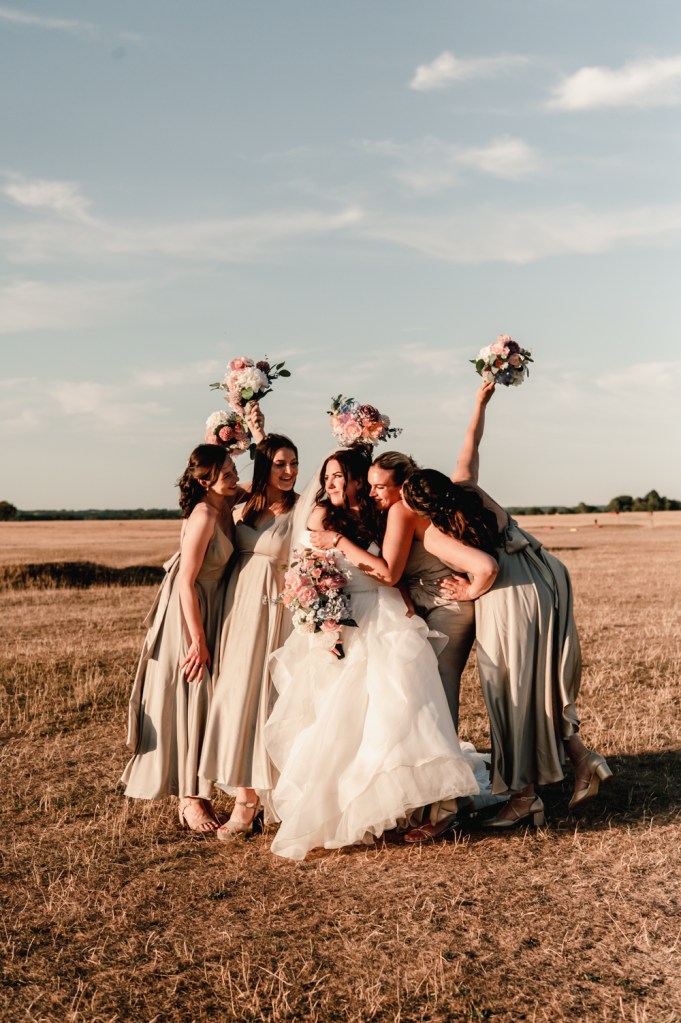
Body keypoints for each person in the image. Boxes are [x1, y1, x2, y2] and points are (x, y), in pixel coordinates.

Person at [402, 383, 613, 828]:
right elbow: (470, 443)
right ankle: (580, 760)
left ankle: (524, 797)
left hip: (510, 596)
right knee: (537, 687)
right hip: (545, 573)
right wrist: (479, 402)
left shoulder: (436, 531)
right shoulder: (466, 487)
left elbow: (485, 571)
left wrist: (468, 593)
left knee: (511, 692)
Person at [264, 446, 486, 860]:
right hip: (348, 621)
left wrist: (402, 594)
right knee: (346, 716)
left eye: (337, 476)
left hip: (387, 615)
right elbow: (308, 575)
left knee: (401, 708)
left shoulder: (376, 514)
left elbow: (389, 567)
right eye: (326, 476)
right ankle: (359, 804)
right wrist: (321, 621)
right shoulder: (321, 518)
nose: (328, 483)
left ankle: (417, 803)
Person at [312, 449, 475, 733]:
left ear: (401, 487)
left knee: (437, 685)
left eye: (380, 486)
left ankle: (445, 761)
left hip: (446, 601)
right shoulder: (385, 512)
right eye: (371, 484)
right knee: (421, 687)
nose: (373, 493)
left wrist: (337, 540)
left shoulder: (401, 510)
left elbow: (388, 572)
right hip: (425, 602)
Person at [121, 445, 240, 831]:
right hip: (190, 610)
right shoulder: (204, 513)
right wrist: (198, 640)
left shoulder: (226, 499)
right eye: (226, 473)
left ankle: (200, 789)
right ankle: (190, 800)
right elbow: (186, 583)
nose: (233, 476)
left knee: (208, 698)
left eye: (233, 469)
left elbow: (270, 485)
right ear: (205, 481)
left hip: (214, 603)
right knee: (192, 694)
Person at [198, 434, 299, 840]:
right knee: (236, 696)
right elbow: (210, 482)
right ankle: (245, 791)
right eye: (279, 464)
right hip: (237, 609)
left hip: (275, 611)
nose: (289, 471)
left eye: (294, 463)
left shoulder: (303, 507)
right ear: (264, 467)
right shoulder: (249, 502)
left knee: (269, 700)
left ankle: (258, 799)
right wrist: (245, 426)